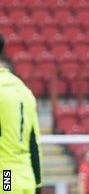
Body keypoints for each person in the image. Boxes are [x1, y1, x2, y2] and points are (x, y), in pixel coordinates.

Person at [0, 32, 42, 193]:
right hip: (26, 179)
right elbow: (34, 143)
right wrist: (37, 183)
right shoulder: (24, 90)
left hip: (5, 178)